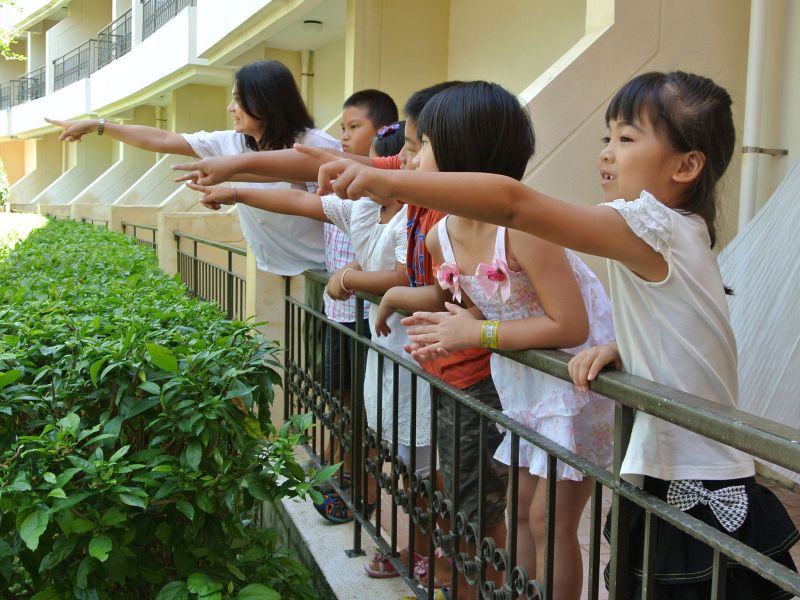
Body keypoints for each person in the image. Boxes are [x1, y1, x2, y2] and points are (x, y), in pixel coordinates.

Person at [301, 71, 800, 600]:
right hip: (663, 458)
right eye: (606, 137)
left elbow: (516, 205)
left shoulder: (654, 227)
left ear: (686, 165)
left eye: (627, 138)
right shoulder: (665, 235)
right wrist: (621, 347)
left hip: (696, 472)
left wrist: (393, 183)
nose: (607, 152)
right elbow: (679, 330)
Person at [371, 82, 614, 600]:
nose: (409, 161)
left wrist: (474, 330)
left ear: (464, 152)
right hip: (523, 380)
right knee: (520, 512)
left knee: (550, 520)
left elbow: (569, 325)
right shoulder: (442, 236)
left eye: (424, 146)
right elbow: (487, 303)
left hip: (572, 383)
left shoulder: (525, 229)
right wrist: (447, 332)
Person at [186, 121, 435, 580]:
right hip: (388, 351)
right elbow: (301, 201)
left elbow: (404, 276)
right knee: (398, 456)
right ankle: (402, 540)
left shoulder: (412, 217)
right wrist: (238, 192)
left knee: (423, 465)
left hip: (417, 354)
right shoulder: (366, 210)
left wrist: (349, 278)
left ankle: (422, 549)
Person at [45, 59, 338, 276]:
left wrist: (233, 184)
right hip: (274, 271)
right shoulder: (231, 142)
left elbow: (326, 198)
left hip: (324, 274)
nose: (230, 108)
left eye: (237, 99)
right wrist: (99, 125)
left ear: (264, 101)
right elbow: (161, 138)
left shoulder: (316, 145)